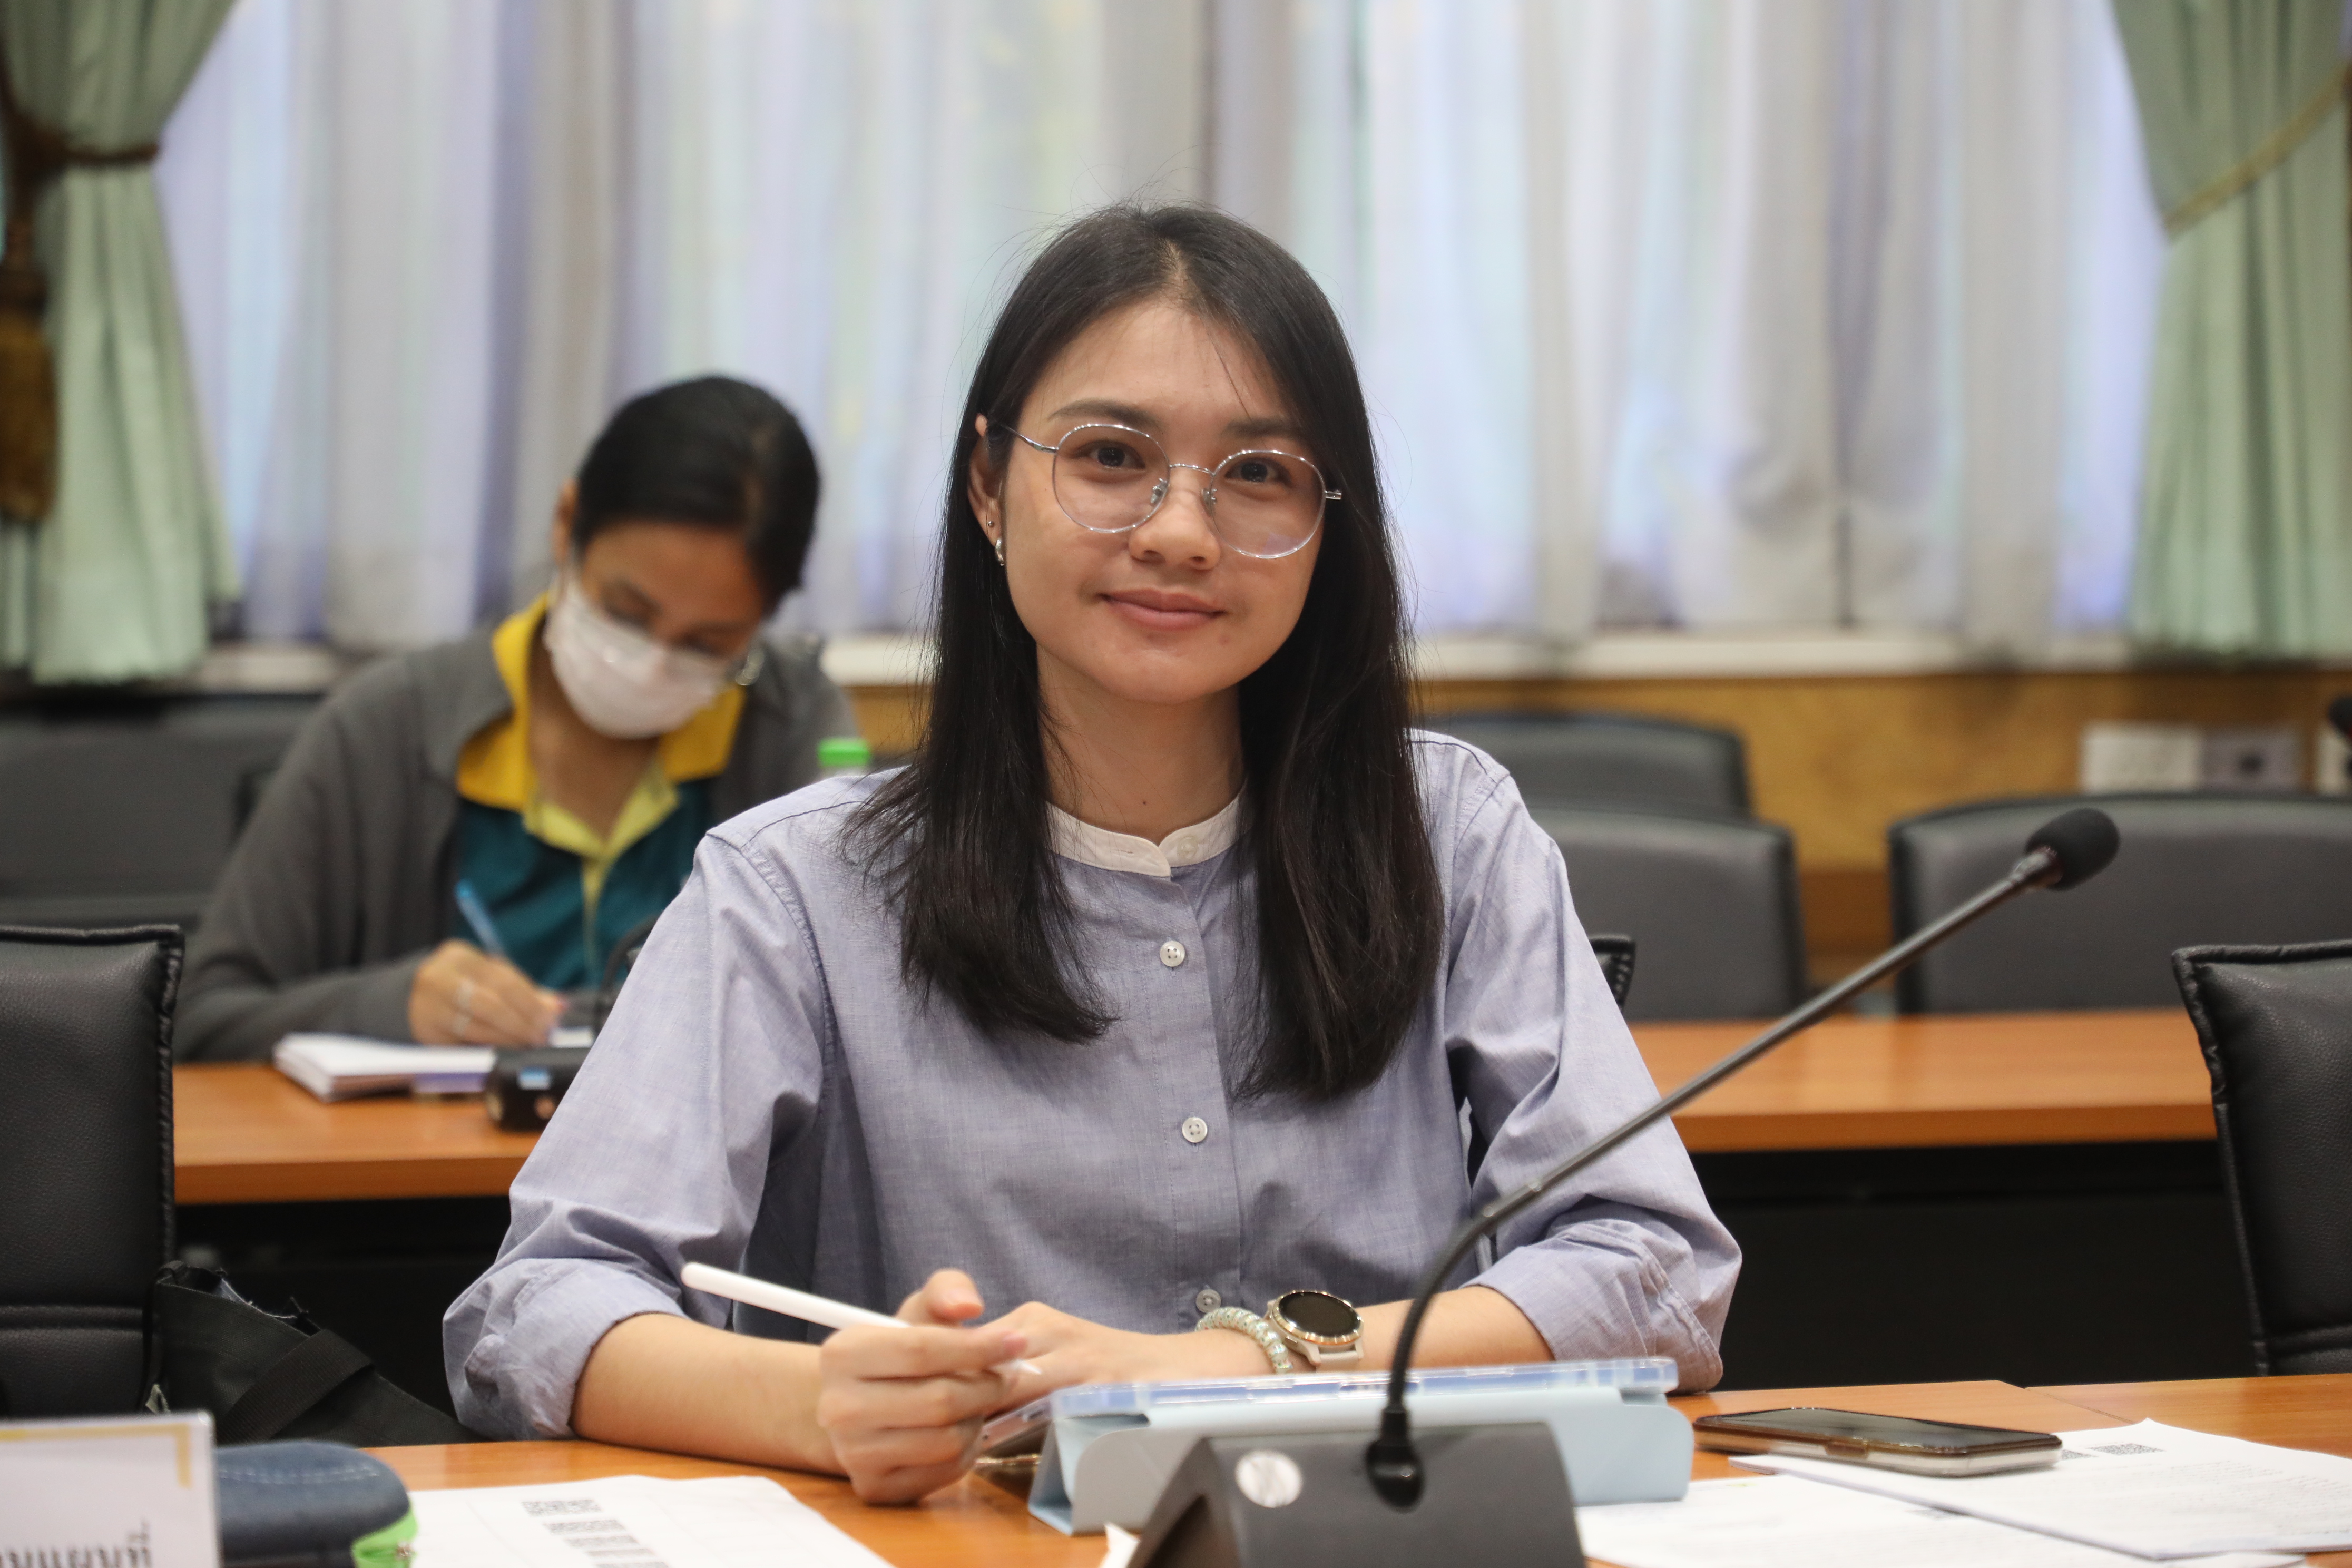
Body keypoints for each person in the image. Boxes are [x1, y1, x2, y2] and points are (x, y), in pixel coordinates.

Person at [445, 206, 1738, 1502]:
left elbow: (1654, 1272)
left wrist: (1233, 1366)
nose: (1181, 532)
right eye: (1113, 456)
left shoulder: (1452, 832)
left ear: (1325, 524)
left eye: (1260, 473)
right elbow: (539, 1311)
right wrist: (816, 1403)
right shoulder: (793, 891)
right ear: (988, 486)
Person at [177, 377, 859, 1061]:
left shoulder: (793, 731)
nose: (652, 664)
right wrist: (387, 1008)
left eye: (706, 645)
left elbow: (853, 1018)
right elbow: (202, 1019)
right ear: (567, 523)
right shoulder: (386, 728)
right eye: (626, 613)